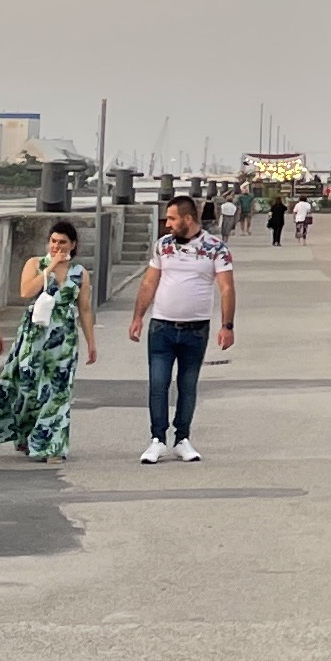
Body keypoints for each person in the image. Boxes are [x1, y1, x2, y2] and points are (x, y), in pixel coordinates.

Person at [128, 194, 236, 464]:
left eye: (173, 219)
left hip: (195, 329)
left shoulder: (216, 248)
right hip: (161, 327)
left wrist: (227, 325)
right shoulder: (162, 246)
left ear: (188, 218)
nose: (168, 224)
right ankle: (157, 440)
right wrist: (138, 317)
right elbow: (149, 284)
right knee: (158, 383)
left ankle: (182, 439)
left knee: (187, 385)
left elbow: (226, 288)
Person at [0, 222, 94, 463]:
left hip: (64, 338)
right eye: (53, 241)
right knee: (28, 387)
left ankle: (51, 446)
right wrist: (51, 268)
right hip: (35, 334)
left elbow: (84, 309)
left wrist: (91, 342)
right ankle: (26, 435)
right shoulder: (35, 264)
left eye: (62, 242)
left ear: (73, 245)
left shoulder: (80, 273)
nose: (56, 246)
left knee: (58, 392)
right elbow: (26, 291)